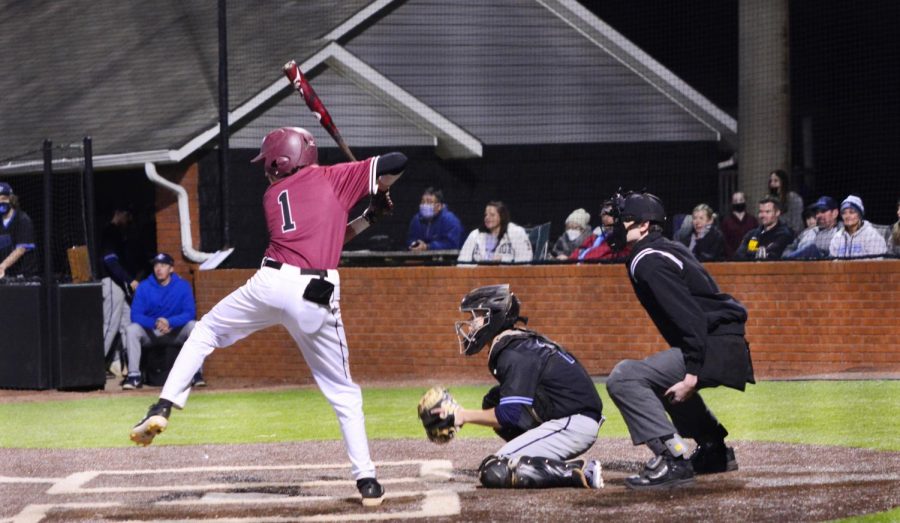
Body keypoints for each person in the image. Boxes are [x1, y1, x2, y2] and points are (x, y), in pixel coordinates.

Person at [129, 127, 406, 507]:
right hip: (316, 294)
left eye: (270, 163)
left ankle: (163, 405)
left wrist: (367, 215)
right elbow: (396, 162)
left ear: (282, 161)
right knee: (343, 393)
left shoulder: (274, 195)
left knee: (206, 329)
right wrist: (376, 186)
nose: (267, 172)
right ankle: (367, 481)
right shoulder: (334, 176)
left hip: (271, 283)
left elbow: (325, 236)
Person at [604, 191, 754, 490]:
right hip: (723, 343)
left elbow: (691, 318)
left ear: (644, 226)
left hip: (713, 344)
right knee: (659, 379)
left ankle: (673, 459)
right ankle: (713, 450)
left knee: (624, 378)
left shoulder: (648, 260)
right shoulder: (662, 249)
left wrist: (692, 373)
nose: (615, 226)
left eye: (624, 220)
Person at [447, 284, 603, 489]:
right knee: (493, 399)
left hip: (573, 424)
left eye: (476, 316)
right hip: (570, 417)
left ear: (493, 318)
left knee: (494, 469)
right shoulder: (518, 343)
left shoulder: (514, 352)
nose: (470, 324)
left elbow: (510, 414)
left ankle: (579, 472)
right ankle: (534, 459)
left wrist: (463, 415)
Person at [121, 253, 199, 390]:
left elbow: (190, 313)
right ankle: (134, 376)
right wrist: (155, 323)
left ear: (171, 269)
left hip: (174, 332)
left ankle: (196, 374)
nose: (159, 269)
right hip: (152, 333)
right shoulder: (144, 287)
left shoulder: (183, 286)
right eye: (156, 265)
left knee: (194, 326)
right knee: (132, 329)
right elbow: (135, 315)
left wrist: (170, 322)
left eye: (163, 265)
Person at [99, 204, 147, 377]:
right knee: (110, 325)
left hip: (120, 285)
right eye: (127, 215)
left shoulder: (118, 233)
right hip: (111, 283)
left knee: (126, 324)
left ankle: (130, 368)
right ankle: (93, 364)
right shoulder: (110, 231)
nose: (129, 220)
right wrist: (129, 280)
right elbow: (110, 261)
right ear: (118, 213)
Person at [457, 201, 532, 263]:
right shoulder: (475, 235)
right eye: (486, 215)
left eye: (492, 215)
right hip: (479, 278)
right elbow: (462, 261)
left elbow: (525, 261)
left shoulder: (516, 232)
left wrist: (503, 262)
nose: (487, 218)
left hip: (508, 277)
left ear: (502, 216)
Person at [734, 196, 795, 260]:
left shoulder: (784, 234)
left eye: (767, 212)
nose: (763, 215)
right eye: (761, 212)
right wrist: (758, 252)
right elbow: (738, 254)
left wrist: (750, 252)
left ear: (777, 213)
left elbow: (772, 255)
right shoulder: (752, 234)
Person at [407, 187, 464, 252]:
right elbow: (410, 239)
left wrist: (427, 247)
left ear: (439, 206)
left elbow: (451, 245)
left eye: (429, 202)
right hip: (421, 257)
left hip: (447, 259)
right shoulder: (417, 219)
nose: (425, 205)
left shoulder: (451, 220)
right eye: (422, 202)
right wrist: (414, 244)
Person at [0, 182, 37, 279]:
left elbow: (20, 250)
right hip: (5, 276)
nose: (1, 202)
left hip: (24, 277)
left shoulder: (22, 220)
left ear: (11, 199)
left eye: (4, 199)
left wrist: (3, 266)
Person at [720, 191, 758, 259]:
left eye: (741, 200)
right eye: (735, 200)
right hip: (731, 260)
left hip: (750, 258)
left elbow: (755, 238)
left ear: (745, 201)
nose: (738, 202)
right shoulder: (726, 222)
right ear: (732, 203)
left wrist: (750, 252)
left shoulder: (752, 220)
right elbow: (724, 242)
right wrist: (733, 256)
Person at [768, 169, 804, 234]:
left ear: (783, 183)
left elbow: (797, 225)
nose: (772, 184)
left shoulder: (794, 199)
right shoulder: (769, 200)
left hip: (789, 236)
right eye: (771, 181)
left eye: (775, 181)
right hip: (771, 235)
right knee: (754, 238)